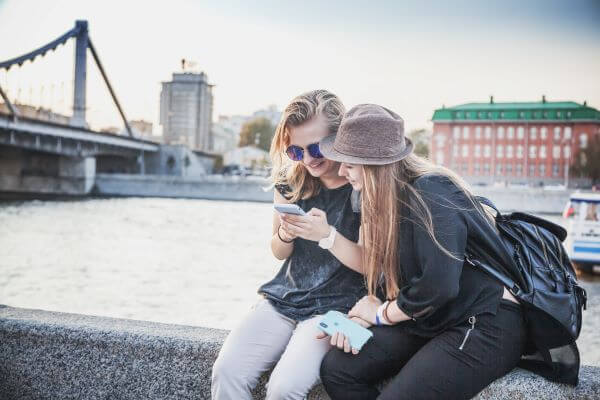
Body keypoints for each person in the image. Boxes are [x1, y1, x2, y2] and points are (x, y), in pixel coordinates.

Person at [317, 104, 526, 400]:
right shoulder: (383, 203)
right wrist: (366, 313)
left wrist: (379, 316)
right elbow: (395, 280)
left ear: (374, 166)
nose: (341, 171)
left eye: (348, 164)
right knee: (338, 369)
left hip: (485, 321)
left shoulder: (432, 191)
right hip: (430, 318)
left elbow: (438, 286)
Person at [211, 90, 367, 400]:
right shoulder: (291, 180)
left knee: (284, 388)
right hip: (286, 297)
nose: (308, 160)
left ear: (340, 136)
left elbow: (369, 263)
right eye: (296, 152)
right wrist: (286, 234)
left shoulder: (363, 182)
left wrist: (327, 236)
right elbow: (278, 251)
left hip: (336, 308)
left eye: (315, 147)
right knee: (226, 372)